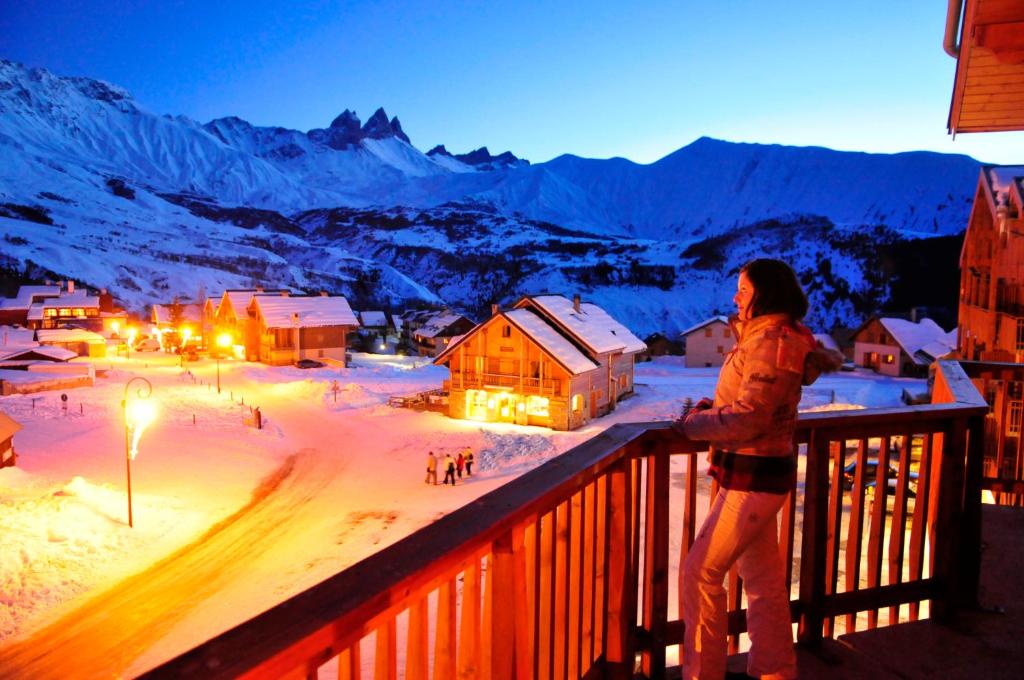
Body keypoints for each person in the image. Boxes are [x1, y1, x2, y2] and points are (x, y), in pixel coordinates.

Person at [676, 258, 841, 680]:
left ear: (764, 294)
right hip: (760, 473)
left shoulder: (772, 342)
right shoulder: (773, 338)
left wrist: (693, 425)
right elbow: (755, 404)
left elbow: (753, 415)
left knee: (700, 573)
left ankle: (702, 674)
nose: (735, 297)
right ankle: (775, 671)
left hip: (754, 476)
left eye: (744, 291)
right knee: (763, 581)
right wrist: (714, 411)